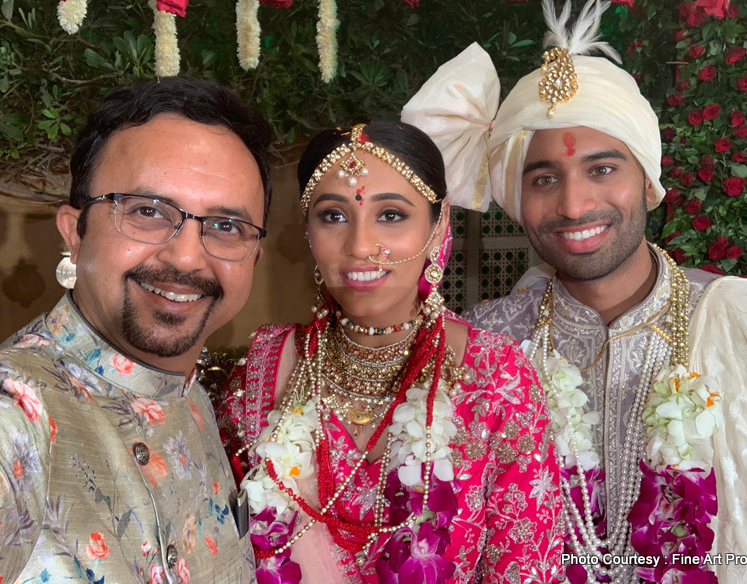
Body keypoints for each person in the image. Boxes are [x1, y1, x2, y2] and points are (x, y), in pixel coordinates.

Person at [401, 0, 747, 584]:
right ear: (516, 201)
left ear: (647, 181)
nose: (574, 204)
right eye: (544, 178)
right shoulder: (481, 344)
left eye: (602, 169)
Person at [218, 121, 562, 583]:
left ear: (438, 230)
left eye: (392, 215)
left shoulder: (495, 379)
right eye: (333, 216)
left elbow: (525, 569)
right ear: (308, 232)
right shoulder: (263, 368)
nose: (360, 247)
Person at [0, 76, 272, 582]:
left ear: (254, 256)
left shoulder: (195, 398)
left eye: (226, 226)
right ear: (73, 233)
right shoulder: (17, 413)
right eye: (148, 211)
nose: (187, 257)